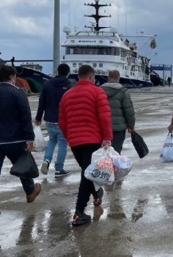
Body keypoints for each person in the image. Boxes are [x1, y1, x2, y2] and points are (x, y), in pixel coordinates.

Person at [0, 65, 41, 220]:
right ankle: (30, 192)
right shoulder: (17, 94)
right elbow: (25, 118)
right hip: (15, 139)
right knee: (22, 166)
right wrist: (30, 139)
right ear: (12, 77)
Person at [59, 65, 113, 226]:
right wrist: (107, 137)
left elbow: (62, 121)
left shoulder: (66, 95)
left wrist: (70, 137)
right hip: (93, 140)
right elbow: (104, 117)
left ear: (78, 78)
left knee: (87, 172)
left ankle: (96, 195)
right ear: (91, 77)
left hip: (75, 141)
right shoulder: (97, 92)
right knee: (87, 175)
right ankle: (79, 212)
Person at [34, 63, 72, 177]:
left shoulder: (47, 84)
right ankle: (59, 168)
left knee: (52, 140)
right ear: (68, 73)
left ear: (57, 72)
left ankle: (46, 160)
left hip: (49, 118)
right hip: (63, 119)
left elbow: (42, 102)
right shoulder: (69, 85)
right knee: (62, 143)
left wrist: (38, 118)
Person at [101, 70, 135, 154]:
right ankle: (114, 166)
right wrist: (131, 125)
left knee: (102, 151)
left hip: (102, 126)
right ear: (118, 78)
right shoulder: (123, 91)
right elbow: (128, 110)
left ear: (108, 78)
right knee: (115, 152)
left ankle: (103, 167)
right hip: (119, 127)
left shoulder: (99, 90)